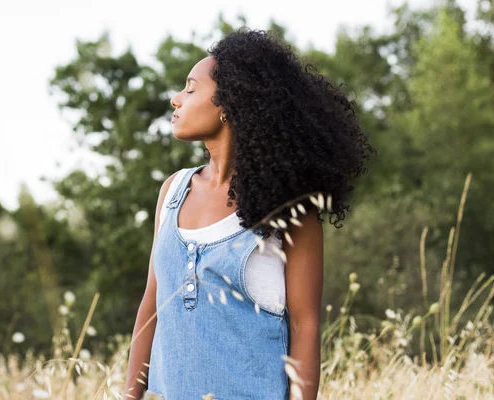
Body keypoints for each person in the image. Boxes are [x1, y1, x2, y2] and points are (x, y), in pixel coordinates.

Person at [124, 28, 376, 400]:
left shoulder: (291, 212)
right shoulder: (172, 191)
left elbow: (304, 326)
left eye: (191, 89)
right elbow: (151, 306)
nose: (177, 99)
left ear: (229, 102)